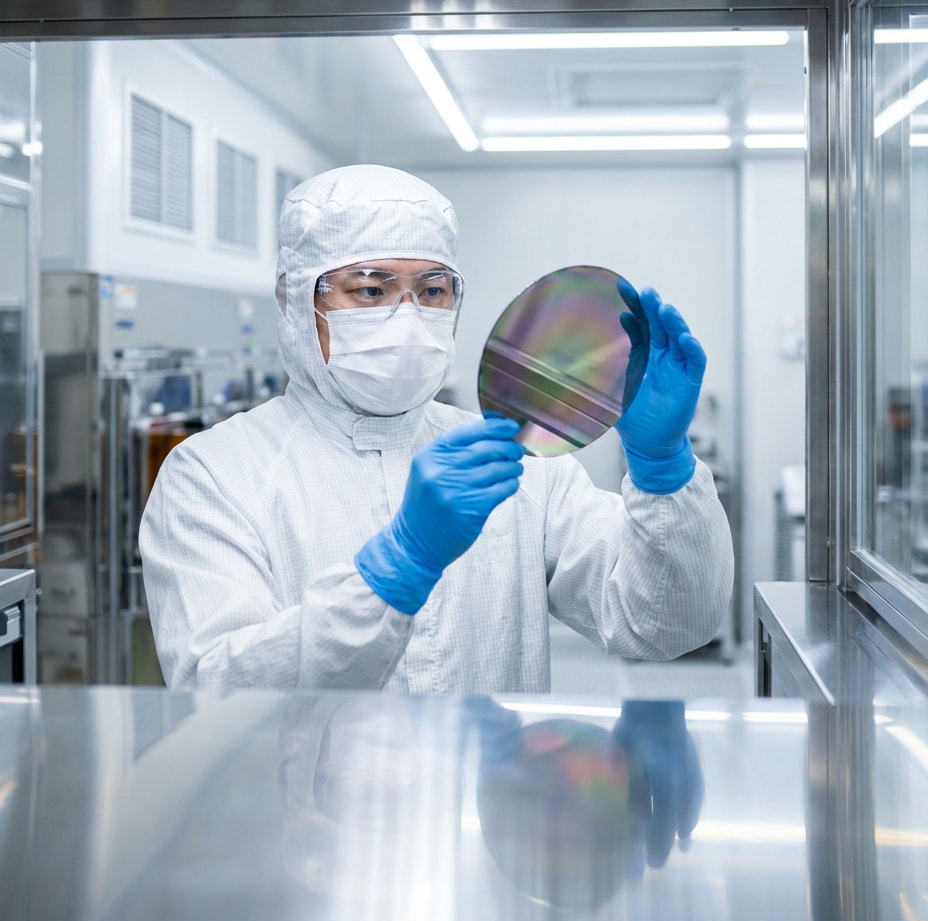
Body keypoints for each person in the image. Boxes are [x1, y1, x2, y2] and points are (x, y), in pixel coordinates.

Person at [140, 164, 733, 693]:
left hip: (484, 810)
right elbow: (213, 690)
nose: (407, 316)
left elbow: (663, 626)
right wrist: (398, 566)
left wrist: (662, 469)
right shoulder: (216, 473)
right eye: (370, 289)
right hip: (308, 816)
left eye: (431, 291)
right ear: (296, 301)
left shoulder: (517, 462)